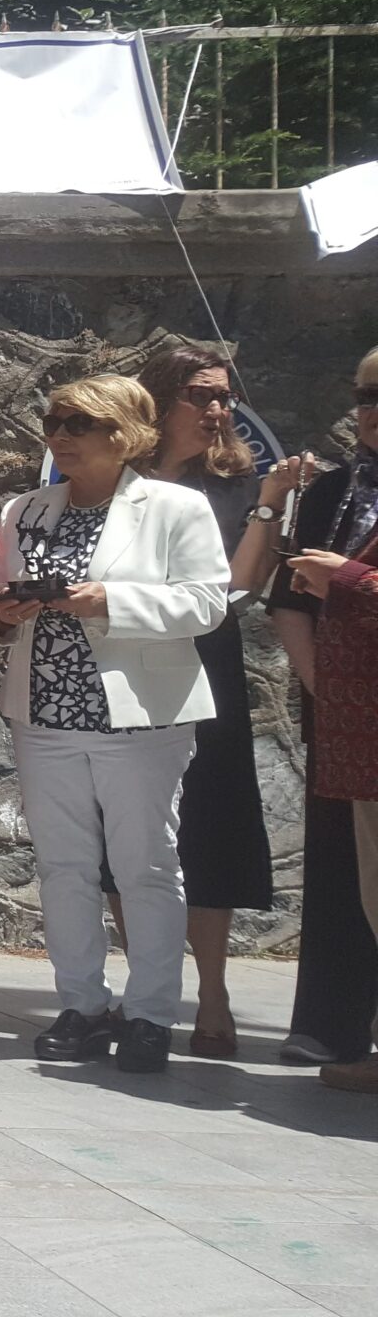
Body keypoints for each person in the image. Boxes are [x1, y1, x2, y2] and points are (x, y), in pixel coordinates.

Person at [0, 375, 227, 1075]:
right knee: (61, 866)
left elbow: (207, 604)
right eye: (53, 421)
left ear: (124, 434)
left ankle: (150, 1015)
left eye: (78, 423)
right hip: (44, 711)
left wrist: (110, 602)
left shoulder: (176, 507)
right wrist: (3, 614)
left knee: (144, 865)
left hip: (139, 716)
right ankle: (82, 1007)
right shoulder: (26, 509)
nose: (58, 435)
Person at [122, 348, 288, 1057]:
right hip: (123, 662)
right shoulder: (116, 479)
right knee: (126, 831)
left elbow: (237, 587)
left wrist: (269, 504)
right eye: (202, 395)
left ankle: (213, 994)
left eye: (225, 397)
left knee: (209, 827)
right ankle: (143, 992)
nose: (218, 410)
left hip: (205, 668)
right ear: (160, 400)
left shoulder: (234, 484)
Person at [268, 352, 378, 1070]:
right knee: (343, 868)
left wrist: (349, 578)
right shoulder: (335, 490)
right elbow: (289, 600)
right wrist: (324, 692)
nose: (372, 409)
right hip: (342, 714)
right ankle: (332, 1024)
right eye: (365, 394)